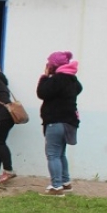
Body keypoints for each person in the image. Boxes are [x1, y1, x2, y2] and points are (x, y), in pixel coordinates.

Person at [36, 51, 82, 196]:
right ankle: (65, 182)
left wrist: (44, 76)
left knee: (53, 154)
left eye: (49, 63)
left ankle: (56, 186)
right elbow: (79, 89)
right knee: (60, 153)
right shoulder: (72, 79)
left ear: (54, 65)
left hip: (55, 122)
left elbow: (42, 92)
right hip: (69, 122)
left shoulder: (57, 79)